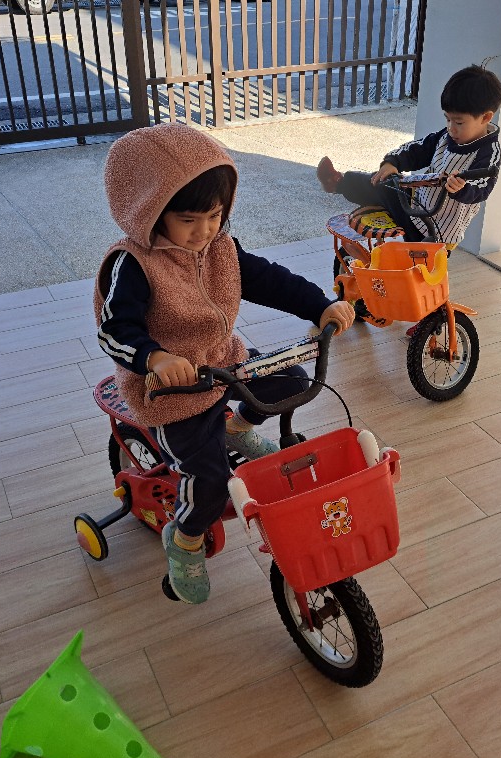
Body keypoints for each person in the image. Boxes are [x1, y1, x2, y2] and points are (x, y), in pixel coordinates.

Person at [94, 123, 355, 606]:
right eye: (189, 219)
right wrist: (155, 357)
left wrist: (320, 306)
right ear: (148, 211)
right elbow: (114, 330)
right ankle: (185, 540)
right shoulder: (133, 264)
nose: (205, 231)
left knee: (292, 381)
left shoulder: (221, 249)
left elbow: (271, 280)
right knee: (210, 481)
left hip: (222, 360)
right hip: (169, 391)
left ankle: (235, 426)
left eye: (215, 215)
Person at [316, 64, 501, 246]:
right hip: (416, 202)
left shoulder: (488, 154)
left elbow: (482, 188)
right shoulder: (446, 137)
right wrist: (393, 162)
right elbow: (417, 150)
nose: (451, 128)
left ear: (486, 117)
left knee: (419, 263)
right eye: (447, 119)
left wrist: (462, 189)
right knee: (383, 181)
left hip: (438, 230)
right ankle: (338, 183)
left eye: (459, 122)